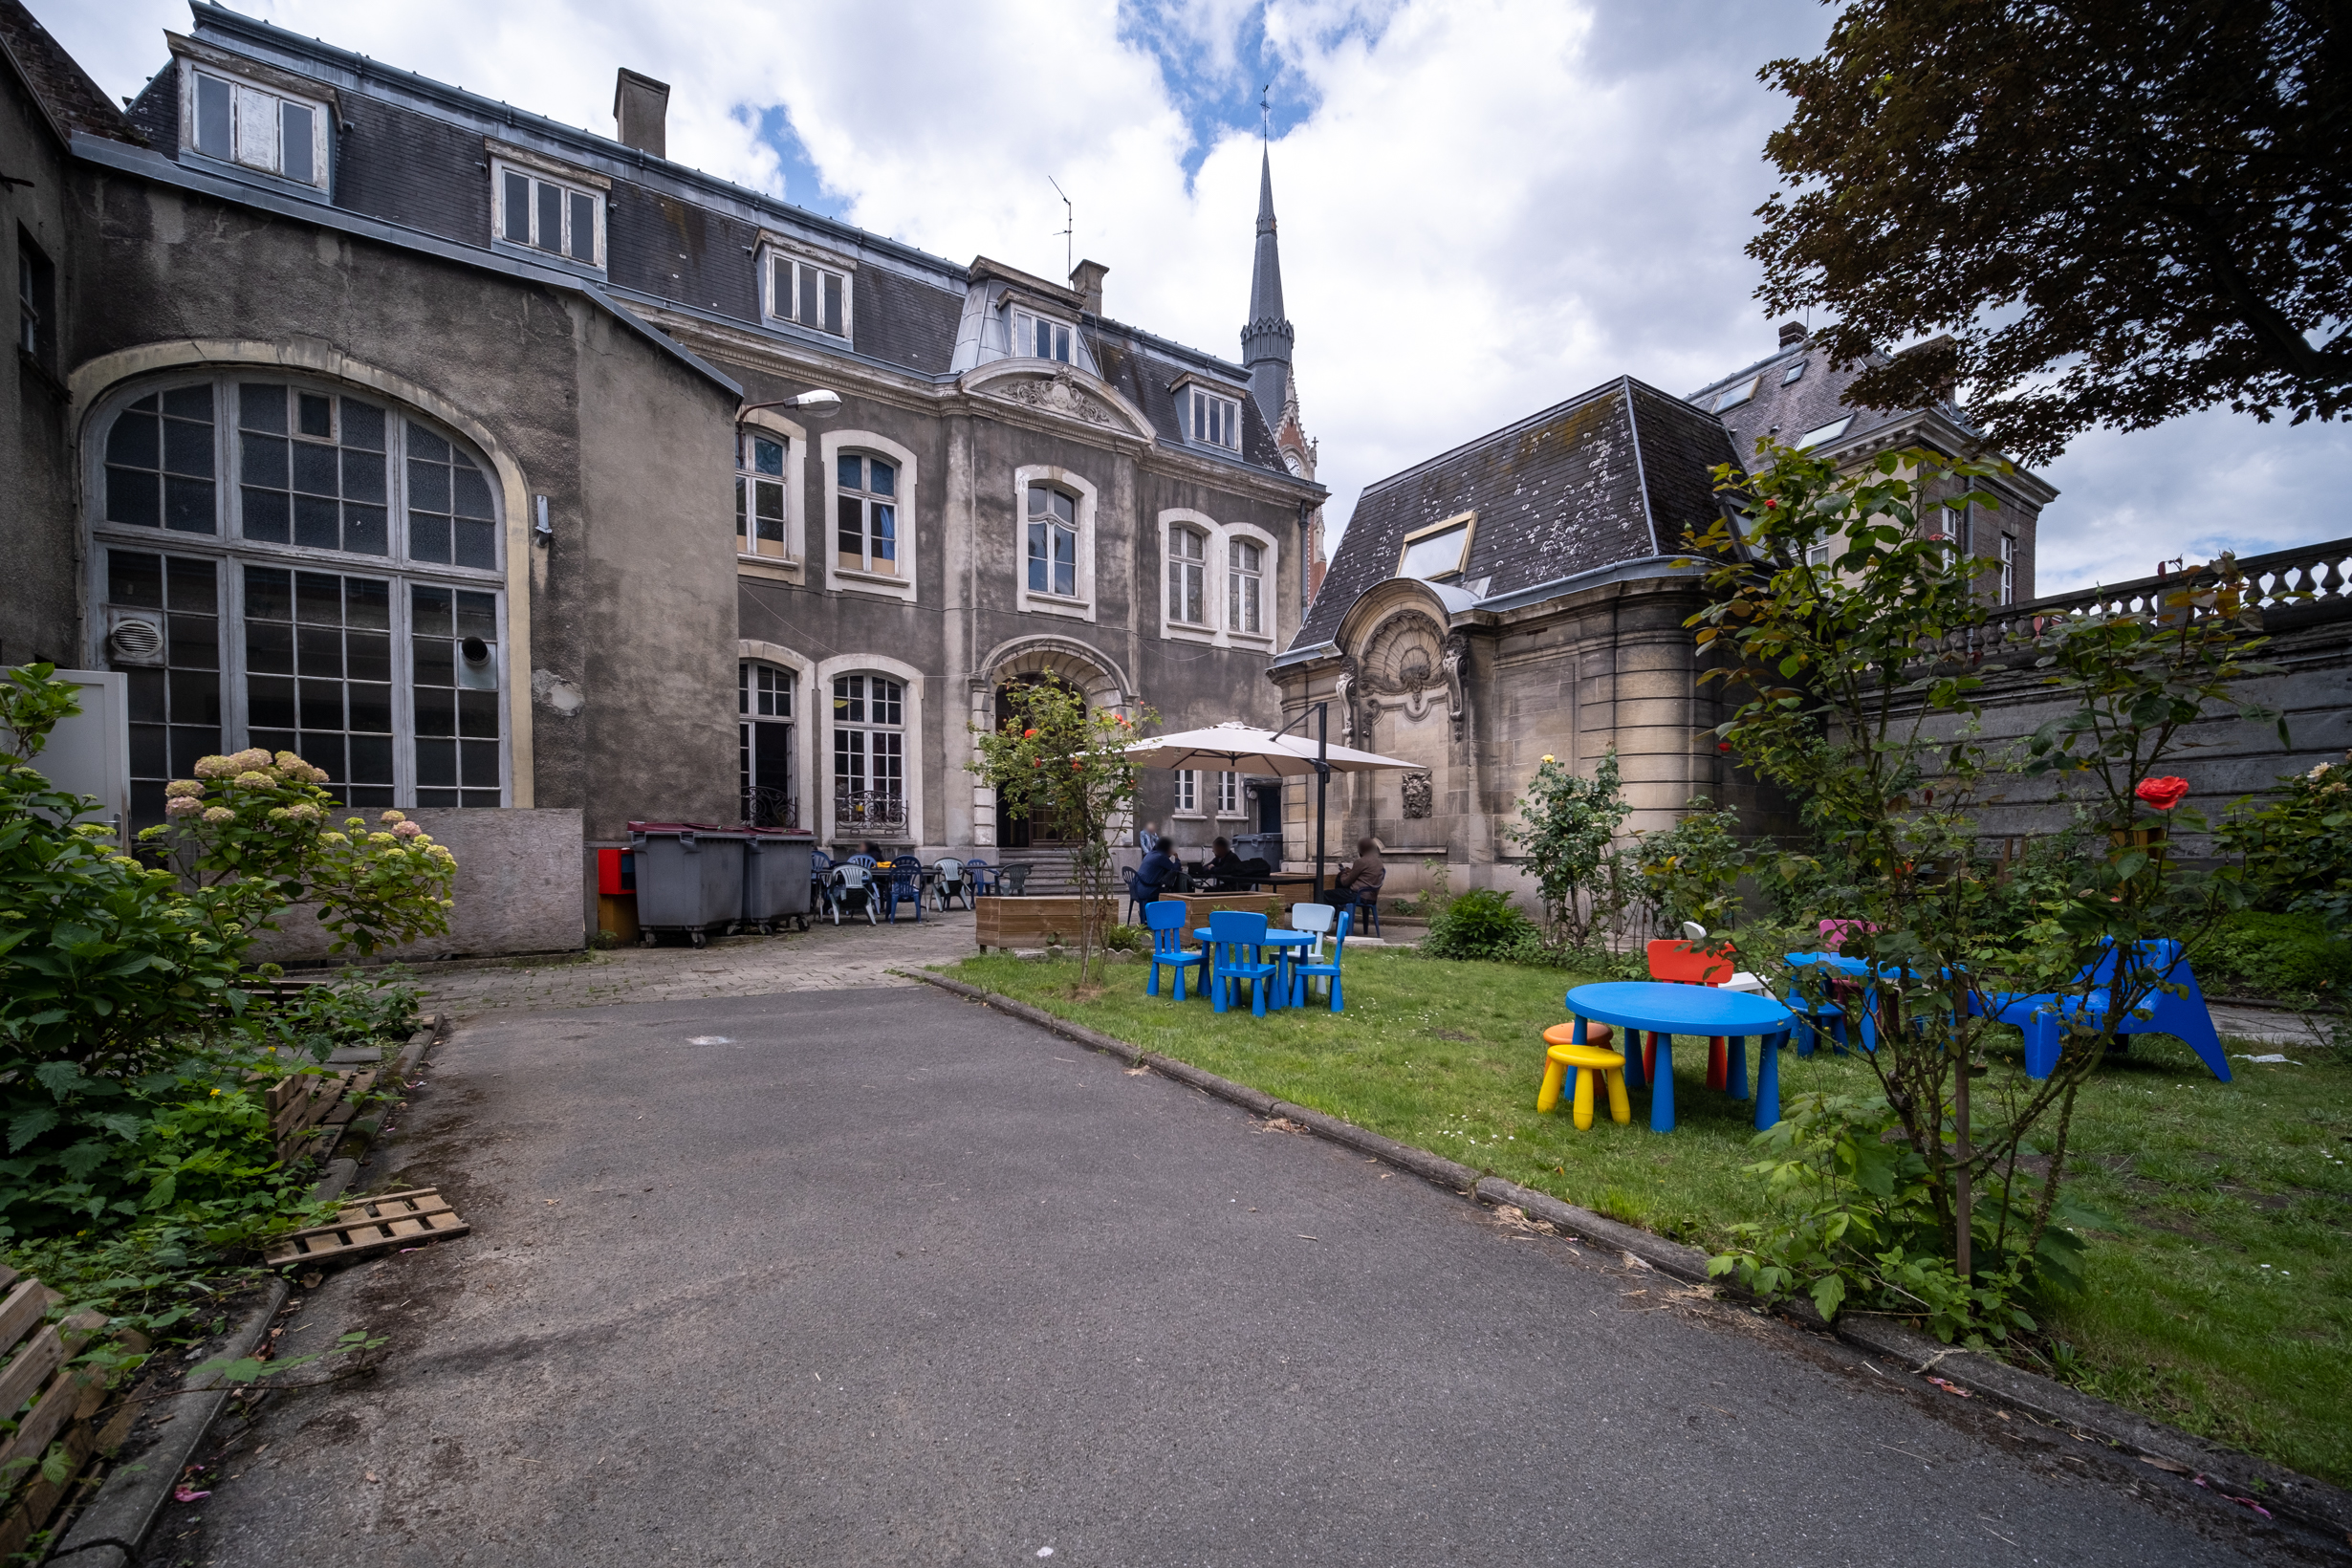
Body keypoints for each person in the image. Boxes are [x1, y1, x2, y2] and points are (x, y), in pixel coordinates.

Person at [1332, 838, 1385, 911]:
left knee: (1325, 895)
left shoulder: (1361, 861)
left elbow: (1345, 882)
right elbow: (1366, 875)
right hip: (1372, 896)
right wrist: (1351, 872)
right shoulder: (1379, 862)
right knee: (1337, 894)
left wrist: (1343, 873)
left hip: (1359, 895)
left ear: (1360, 849)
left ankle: (1334, 915)